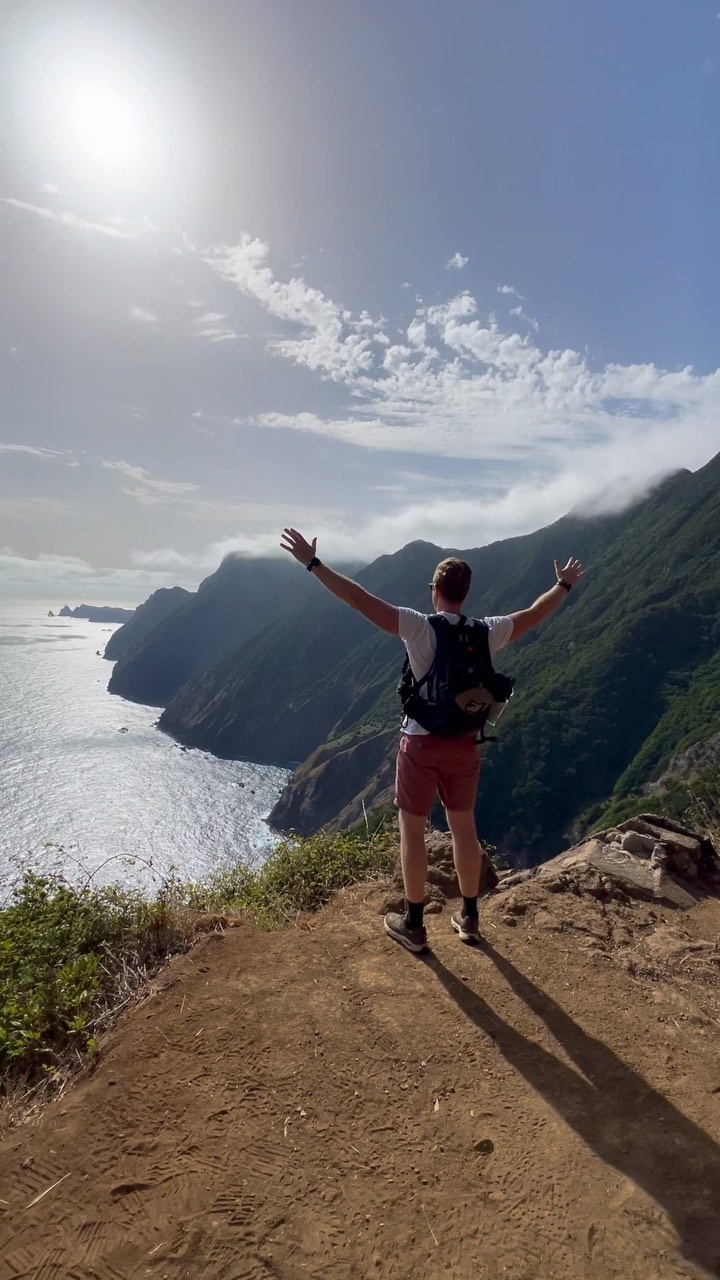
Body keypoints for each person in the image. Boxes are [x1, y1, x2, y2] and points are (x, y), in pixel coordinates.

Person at [280, 528, 585, 953]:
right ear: (465, 591)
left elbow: (358, 599)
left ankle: (414, 924)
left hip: (420, 745)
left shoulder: (418, 627)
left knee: (413, 832)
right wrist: (564, 584)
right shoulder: (488, 631)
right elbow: (534, 614)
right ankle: (471, 917)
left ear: (435, 591)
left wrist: (313, 564)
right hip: (465, 744)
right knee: (464, 831)